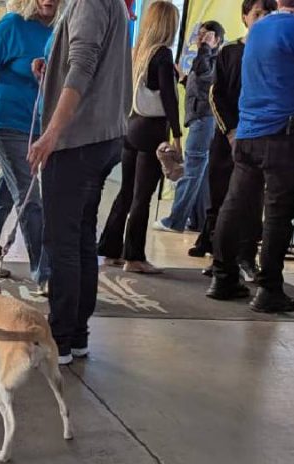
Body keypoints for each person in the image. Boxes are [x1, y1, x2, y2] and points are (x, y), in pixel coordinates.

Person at [208, 0, 294, 313]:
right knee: (278, 212)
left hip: (248, 131)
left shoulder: (259, 29)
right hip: (286, 133)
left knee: (234, 206)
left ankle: (222, 278)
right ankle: (269, 290)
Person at [28, 0, 131, 364]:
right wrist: (52, 70)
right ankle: (76, 334)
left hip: (78, 141)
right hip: (102, 137)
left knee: (62, 241)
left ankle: (59, 339)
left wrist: (52, 133)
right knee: (82, 236)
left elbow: (83, 66)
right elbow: (87, 65)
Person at [0, 0, 58, 291]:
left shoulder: (60, 31)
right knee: (30, 198)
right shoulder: (13, 25)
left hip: (39, 127)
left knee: (5, 195)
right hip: (8, 122)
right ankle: (45, 274)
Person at [190, 0, 276, 283]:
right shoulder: (230, 51)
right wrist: (230, 131)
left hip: (259, 138)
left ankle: (246, 258)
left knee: (252, 201)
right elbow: (216, 95)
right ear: (245, 17)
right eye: (257, 13)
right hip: (227, 137)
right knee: (220, 198)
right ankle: (219, 258)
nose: (262, 18)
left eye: (268, 13)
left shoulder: (276, 51)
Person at [97, 1, 181, 274]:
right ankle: (134, 257)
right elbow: (169, 98)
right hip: (152, 130)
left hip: (131, 126)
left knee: (127, 190)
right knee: (142, 196)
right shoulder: (163, 55)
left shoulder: (138, 52)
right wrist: (177, 135)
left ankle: (110, 249)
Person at [154, 21, 225, 234]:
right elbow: (201, 88)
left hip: (204, 119)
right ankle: (198, 220)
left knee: (192, 168)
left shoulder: (213, 59)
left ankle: (174, 221)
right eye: (200, 34)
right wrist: (185, 80)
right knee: (200, 172)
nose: (201, 38)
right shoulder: (205, 59)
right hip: (200, 118)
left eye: (207, 35)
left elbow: (205, 80)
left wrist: (205, 48)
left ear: (218, 39)